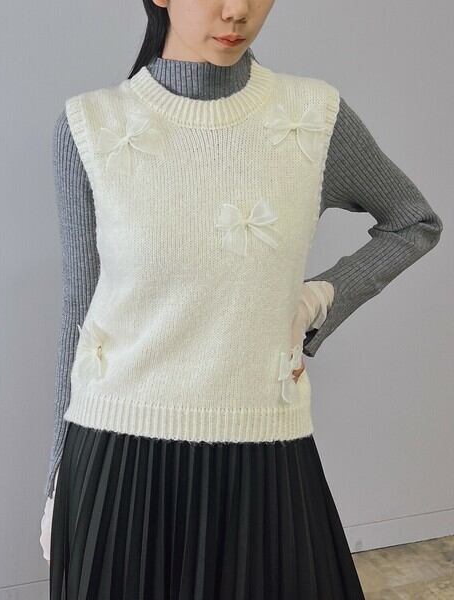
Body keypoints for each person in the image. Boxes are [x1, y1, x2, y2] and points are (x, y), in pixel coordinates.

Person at [42, 0, 443, 597]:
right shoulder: (91, 125)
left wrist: (317, 301)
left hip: (262, 444)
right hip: (117, 451)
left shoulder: (312, 117)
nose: (237, 11)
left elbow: (413, 222)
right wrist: (57, 478)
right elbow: (79, 309)